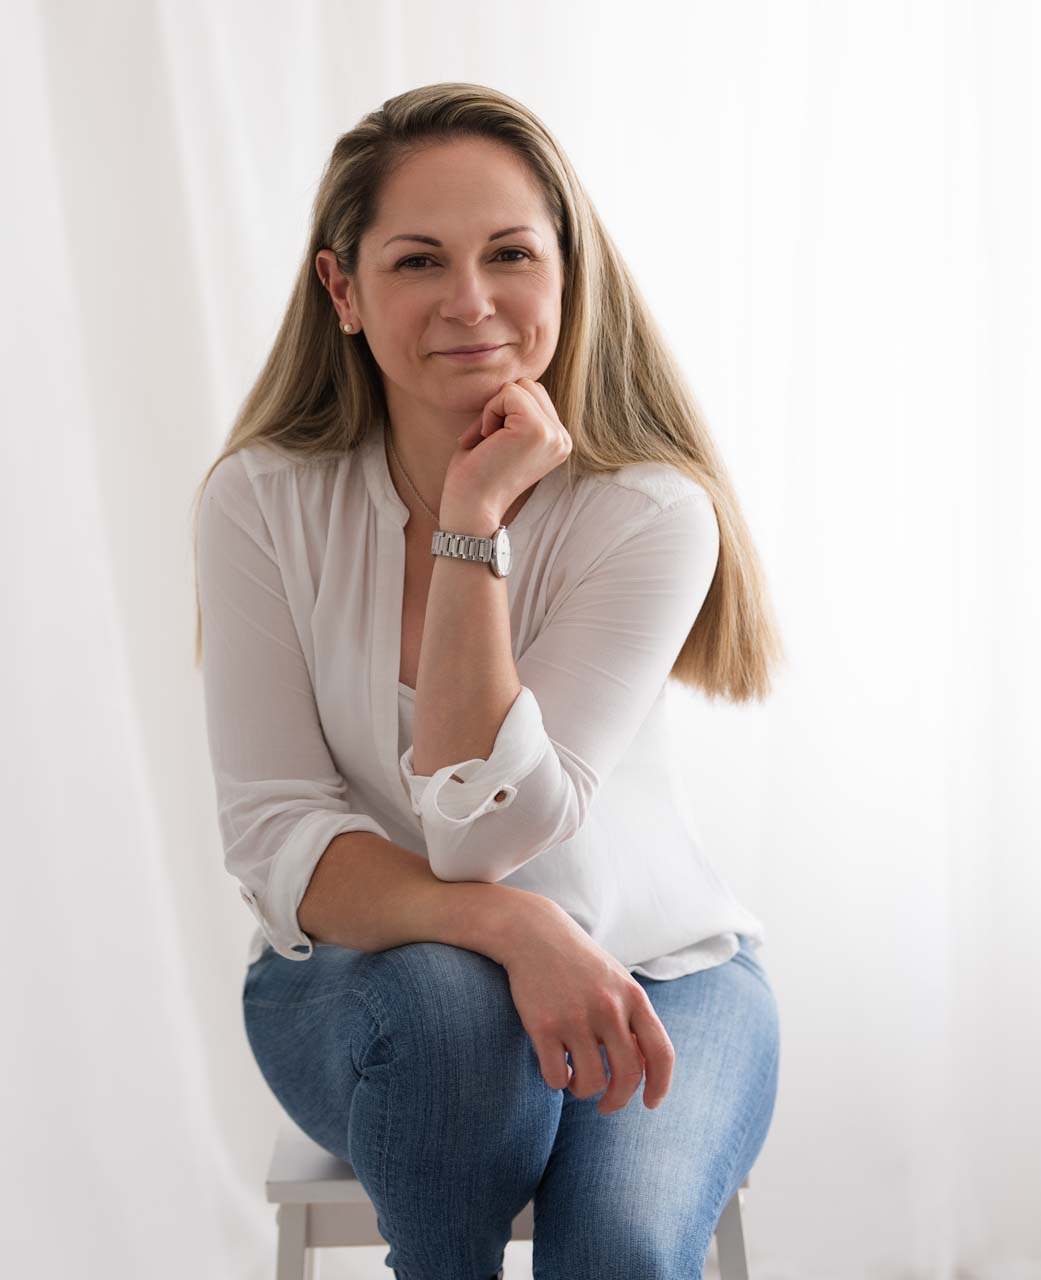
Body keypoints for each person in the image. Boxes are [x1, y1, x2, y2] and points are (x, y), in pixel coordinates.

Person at [193, 82, 784, 1280]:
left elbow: (492, 825)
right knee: (455, 1019)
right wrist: (510, 930)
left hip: (656, 972)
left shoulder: (651, 511)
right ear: (343, 293)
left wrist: (472, 525)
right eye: (418, 261)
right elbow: (279, 836)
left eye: (511, 253)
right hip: (367, 995)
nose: (471, 302)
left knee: (617, 1243)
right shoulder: (260, 499)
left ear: (568, 272)